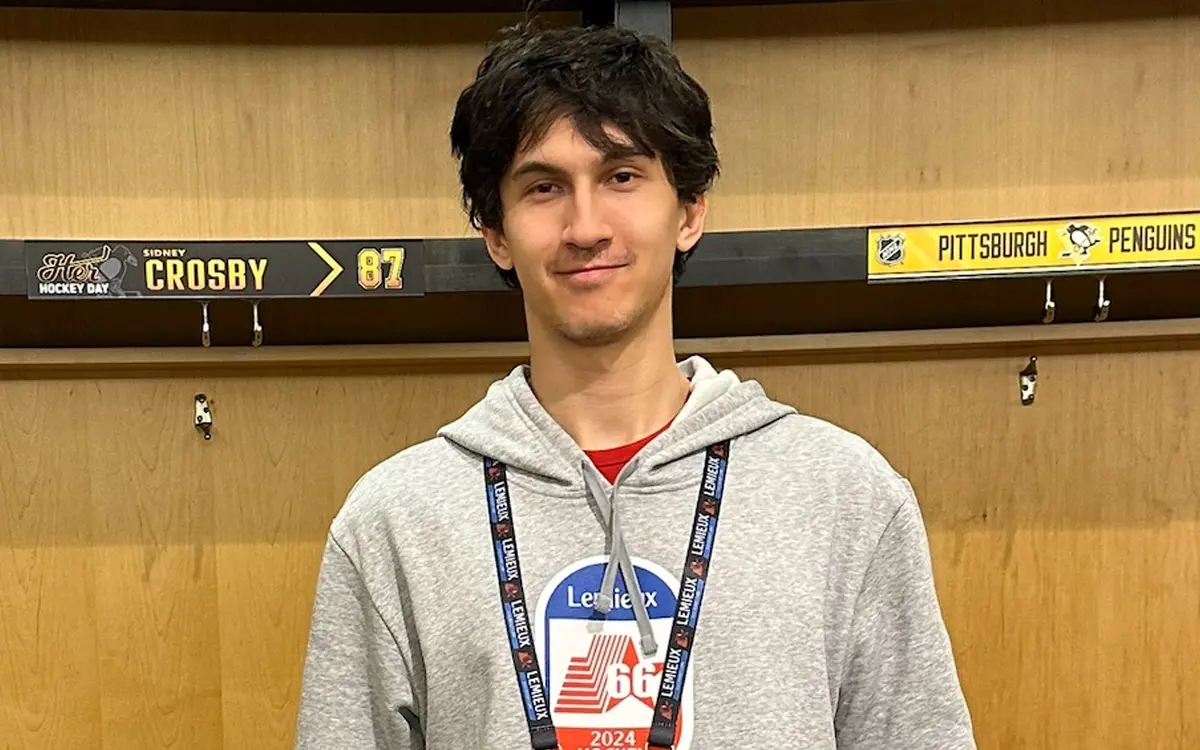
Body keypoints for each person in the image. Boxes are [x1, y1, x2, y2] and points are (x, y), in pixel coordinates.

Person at [295, 20, 976, 750]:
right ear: (495, 233)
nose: (585, 226)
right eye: (544, 187)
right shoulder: (396, 522)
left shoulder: (844, 498)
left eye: (621, 176)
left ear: (688, 210)